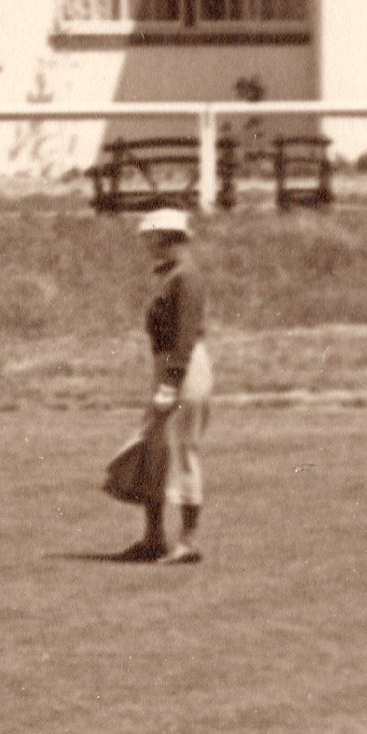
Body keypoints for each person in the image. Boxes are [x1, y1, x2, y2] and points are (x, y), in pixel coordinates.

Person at [120, 208, 212, 564]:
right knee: (155, 450)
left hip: (183, 368)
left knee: (182, 448)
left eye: (151, 238)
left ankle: (187, 541)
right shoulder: (172, 275)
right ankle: (154, 537)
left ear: (165, 238)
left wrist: (169, 384)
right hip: (170, 368)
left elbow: (185, 336)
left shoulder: (185, 278)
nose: (146, 244)